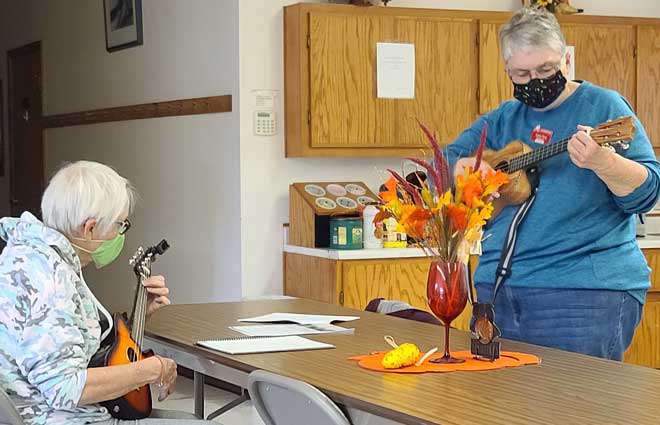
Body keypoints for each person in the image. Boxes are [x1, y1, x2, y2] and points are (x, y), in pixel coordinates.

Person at [446, 7, 660, 360]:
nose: (535, 80)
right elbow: (441, 161)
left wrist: (603, 162)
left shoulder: (603, 106)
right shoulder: (505, 117)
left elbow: (648, 192)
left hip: (583, 294)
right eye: (522, 73)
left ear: (566, 60)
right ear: (507, 71)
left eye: (546, 70)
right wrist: (464, 168)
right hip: (498, 292)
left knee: (580, 407)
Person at [0, 161, 215, 424]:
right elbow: (67, 389)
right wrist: (153, 368)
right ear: (89, 228)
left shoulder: (33, 256)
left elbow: (79, 349)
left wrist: (139, 316)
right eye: (121, 225)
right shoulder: (48, 277)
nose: (120, 234)